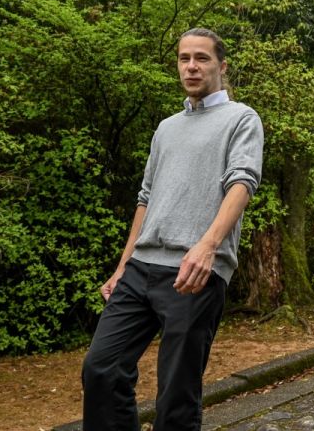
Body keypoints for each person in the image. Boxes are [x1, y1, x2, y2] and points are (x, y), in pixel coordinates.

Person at [81, 28, 264, 431]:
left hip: (194, 271)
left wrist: (207, 248)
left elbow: (243, 183)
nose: (192, 67)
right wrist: (122, 266)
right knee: (101, 369)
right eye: (184, 58)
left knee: (176, 395)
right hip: (140, 268)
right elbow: (146, 199)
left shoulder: (241, 118)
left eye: (202, 58)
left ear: (222, 65)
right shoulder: (166, 127)